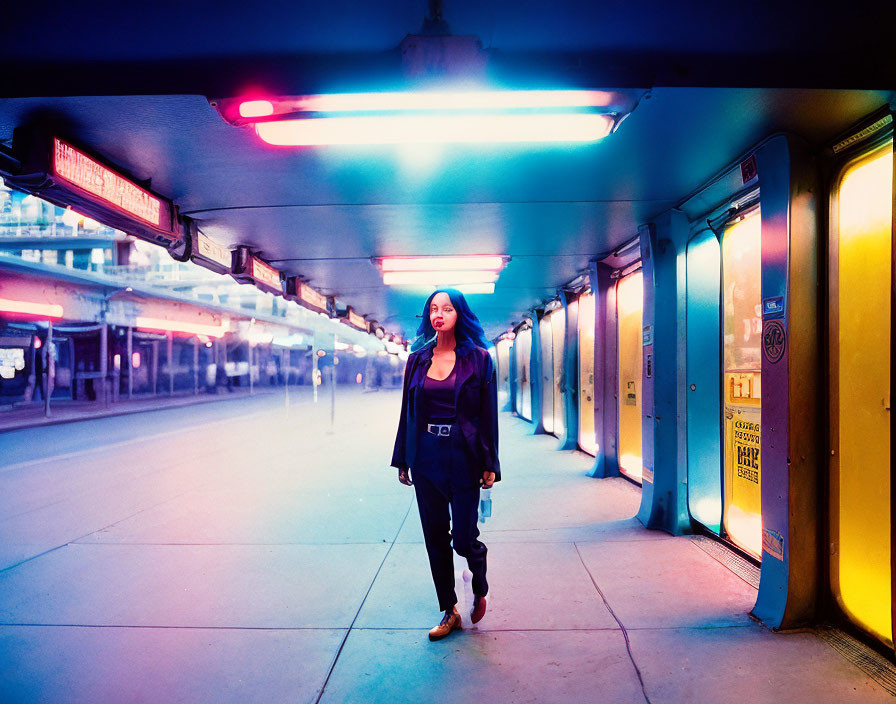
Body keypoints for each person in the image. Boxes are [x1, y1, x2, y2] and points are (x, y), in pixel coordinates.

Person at [391, 288, 500, 641]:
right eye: (433, 309)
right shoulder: (417, 360)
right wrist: (403, 458)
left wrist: (490, 463)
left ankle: (478, 579)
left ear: (459, 314)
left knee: (464, 539)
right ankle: (448, 609)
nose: (439, 314)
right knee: (435, 536)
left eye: (447, 308)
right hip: (425, 453)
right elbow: (407, 413)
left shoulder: (480, 359)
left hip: (463, 454)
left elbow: (488, 415)